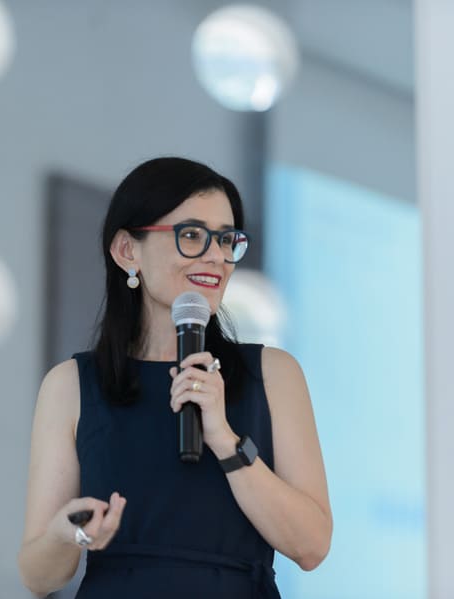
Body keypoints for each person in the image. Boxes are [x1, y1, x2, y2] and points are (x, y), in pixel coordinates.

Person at [17, 157, 332, 598]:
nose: (216, 256)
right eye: (192, 235)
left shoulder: (274, 375)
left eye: (226, 239)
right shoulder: (71, 385)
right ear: (127, 251)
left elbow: (312, 546)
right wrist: (67, 534)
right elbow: (38, 577)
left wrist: (224, 440)